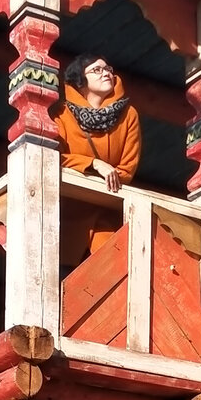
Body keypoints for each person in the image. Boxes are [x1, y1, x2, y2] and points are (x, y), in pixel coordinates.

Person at [55, 54, 141, 256]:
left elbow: (127, 168)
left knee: (113, 262)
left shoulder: (129, 115)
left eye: (108, 69)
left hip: (107, 214)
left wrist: (111, 175)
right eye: (97, 70)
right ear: (80, 81)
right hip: (69, 216)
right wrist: (94, 164)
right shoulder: (61, 114)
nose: (106, 73)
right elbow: (54, 157)